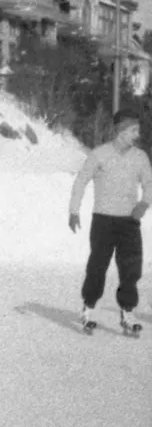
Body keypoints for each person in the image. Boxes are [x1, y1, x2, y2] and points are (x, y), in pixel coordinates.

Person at [68, 108, 152, 333]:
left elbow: (149, 183)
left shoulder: (140, 157)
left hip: (129, 222)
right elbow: (81, 180)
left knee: (131, 270)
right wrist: (74, 211)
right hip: (103, 222)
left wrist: (144, 203)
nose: (137, 134)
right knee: (97, 267)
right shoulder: (100, 154)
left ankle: (127, 313)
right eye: (134, 130)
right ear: (121, 130)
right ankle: (88, 308)